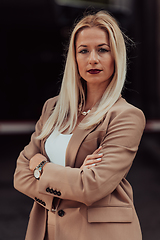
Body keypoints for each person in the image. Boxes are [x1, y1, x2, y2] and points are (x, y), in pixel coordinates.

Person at [14, 10, 145, 240]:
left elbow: (92, 186)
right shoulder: (53, 108)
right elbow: (19, 175)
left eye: (102, 50)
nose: (92, 59)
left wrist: (41, 168)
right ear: (74, 58)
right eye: (83, 50)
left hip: (100, 233)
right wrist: (74, 177)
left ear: (117, 56)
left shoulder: (126, 116)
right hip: (45, 230)